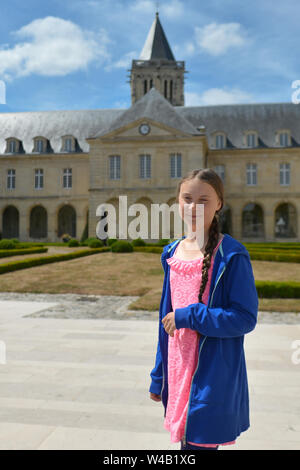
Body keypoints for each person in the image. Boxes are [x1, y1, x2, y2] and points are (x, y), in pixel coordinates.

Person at [149, 168, 258, 450]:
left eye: (204, 200)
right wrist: (158, 375)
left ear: (219, 203)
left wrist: (190, 315)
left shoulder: (231, 254)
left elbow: (244, 318)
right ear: (177, 201)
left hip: (212, 376)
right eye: (187, 198)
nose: (194, 207)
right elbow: (165, 321)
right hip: (178, 370)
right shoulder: (171, 253)